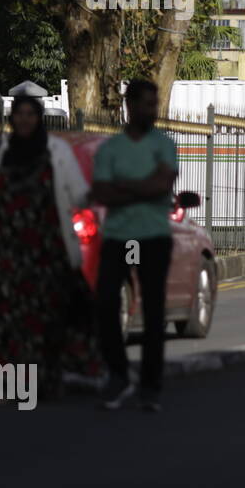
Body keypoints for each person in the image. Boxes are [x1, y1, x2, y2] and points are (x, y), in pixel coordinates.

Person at [0, 84, 100, 400]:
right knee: (7, 319)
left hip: (46, 253)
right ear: (12, 118)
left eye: (31, 114)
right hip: (4, 255)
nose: (25, 120)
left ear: (39, 117)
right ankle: (9, 383)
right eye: (20, 114)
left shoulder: (56, 151)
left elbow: (80, 194)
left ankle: (47, 379)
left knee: (47, 317)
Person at [91, 80, 179, 412]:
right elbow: (101, 192)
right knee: (105, 303)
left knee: (154, 311)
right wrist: (143, 188)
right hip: (119, 237)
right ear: (129, 106)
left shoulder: (164, 144)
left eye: (155, 105)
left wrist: (124, 187)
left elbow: (162, 185)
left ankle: (150, 386)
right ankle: (118, 373)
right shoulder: (111, 148)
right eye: (146, 104)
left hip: (153, 237)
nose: (152, 111)